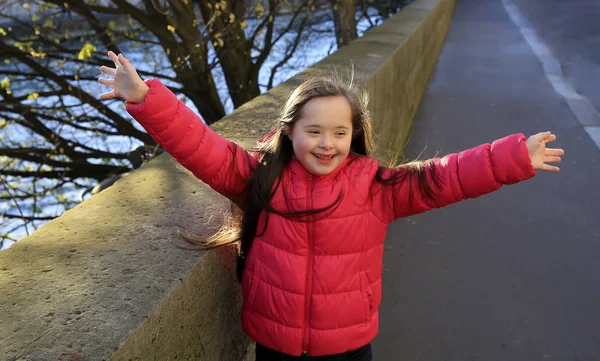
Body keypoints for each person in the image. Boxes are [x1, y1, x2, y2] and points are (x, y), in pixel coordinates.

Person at [98, 51, 564, 361]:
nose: (327, 144)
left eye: (339, 133)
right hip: (274, 340)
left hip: (348, 343)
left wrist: (513, 157)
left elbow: (445, 177)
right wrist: (145, 98)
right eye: (314, 131)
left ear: (354, 136)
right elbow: (200, 145)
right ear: (289, 132)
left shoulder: (375, 185)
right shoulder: (262, 178)